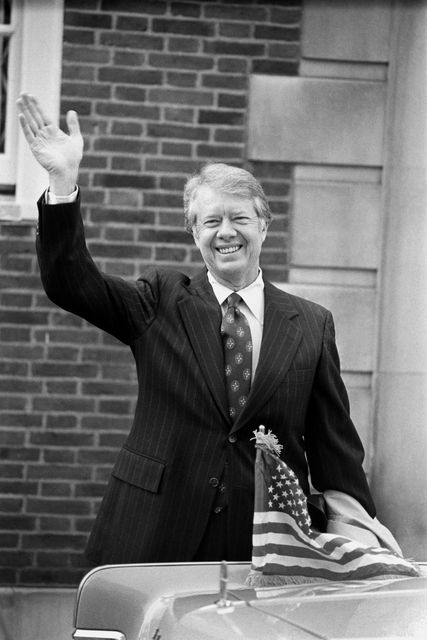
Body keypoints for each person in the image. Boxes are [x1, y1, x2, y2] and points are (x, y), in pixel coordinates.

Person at [16, 93, 402, 565]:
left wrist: (356, 531)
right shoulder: (160, 299)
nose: (226, 232)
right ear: (193, 231)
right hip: (153, 530)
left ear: (264, 225)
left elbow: (334, 445)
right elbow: (71, 283)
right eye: (211, 221)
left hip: (264, 544)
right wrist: (62, 182)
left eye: (240, 218)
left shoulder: (311, 324)